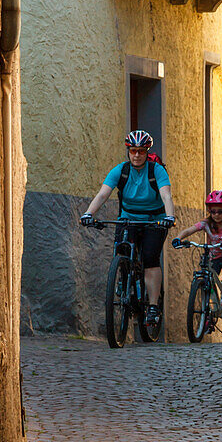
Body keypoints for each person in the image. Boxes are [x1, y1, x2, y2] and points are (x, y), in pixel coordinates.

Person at [80, 130, 175, 327]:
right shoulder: (120, 170)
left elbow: (166, 195)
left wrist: (169, 217)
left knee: (150, 258)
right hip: (128, 218)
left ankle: (152, 306)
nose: (137, 155)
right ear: (128, 151)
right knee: (121, 250)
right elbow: (102, 194)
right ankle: (123, 277)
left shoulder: (156, 170)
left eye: (141, 151)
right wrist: (89, 214)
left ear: (147, 152)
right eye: (133, 151)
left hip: (153, 220)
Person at [172, 190, 222, 294]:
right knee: (209, 273)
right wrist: (178, 238)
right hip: (215, 255)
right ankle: (212, 302)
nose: (216, 215)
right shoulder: (206, 223)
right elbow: (189, 230)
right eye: (213, 212)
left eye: (220, 212)